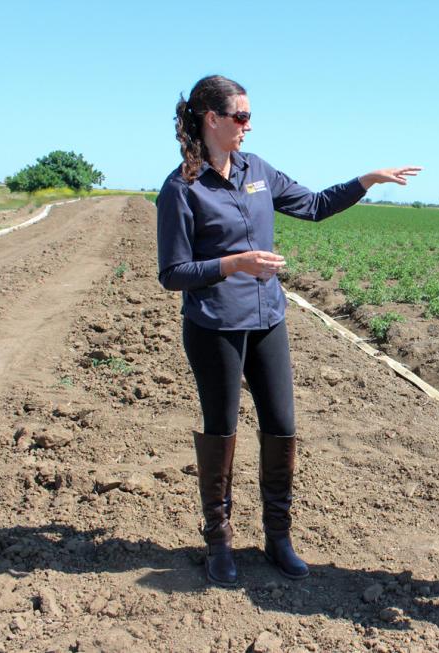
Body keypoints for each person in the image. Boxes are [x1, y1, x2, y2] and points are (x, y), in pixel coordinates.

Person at [156, 75, 420, 586]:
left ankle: (278, 537)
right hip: (215, 326)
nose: (248, 126)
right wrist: (236, 263)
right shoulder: (181, 188)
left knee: (281, 425)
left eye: (250, 117)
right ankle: (220, 543)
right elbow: (172, 273)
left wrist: (365, 181)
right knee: (222, 430)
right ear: (212, 119)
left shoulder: (259, 171)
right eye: (241, 117)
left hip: (268, 319)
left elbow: (315, 206)